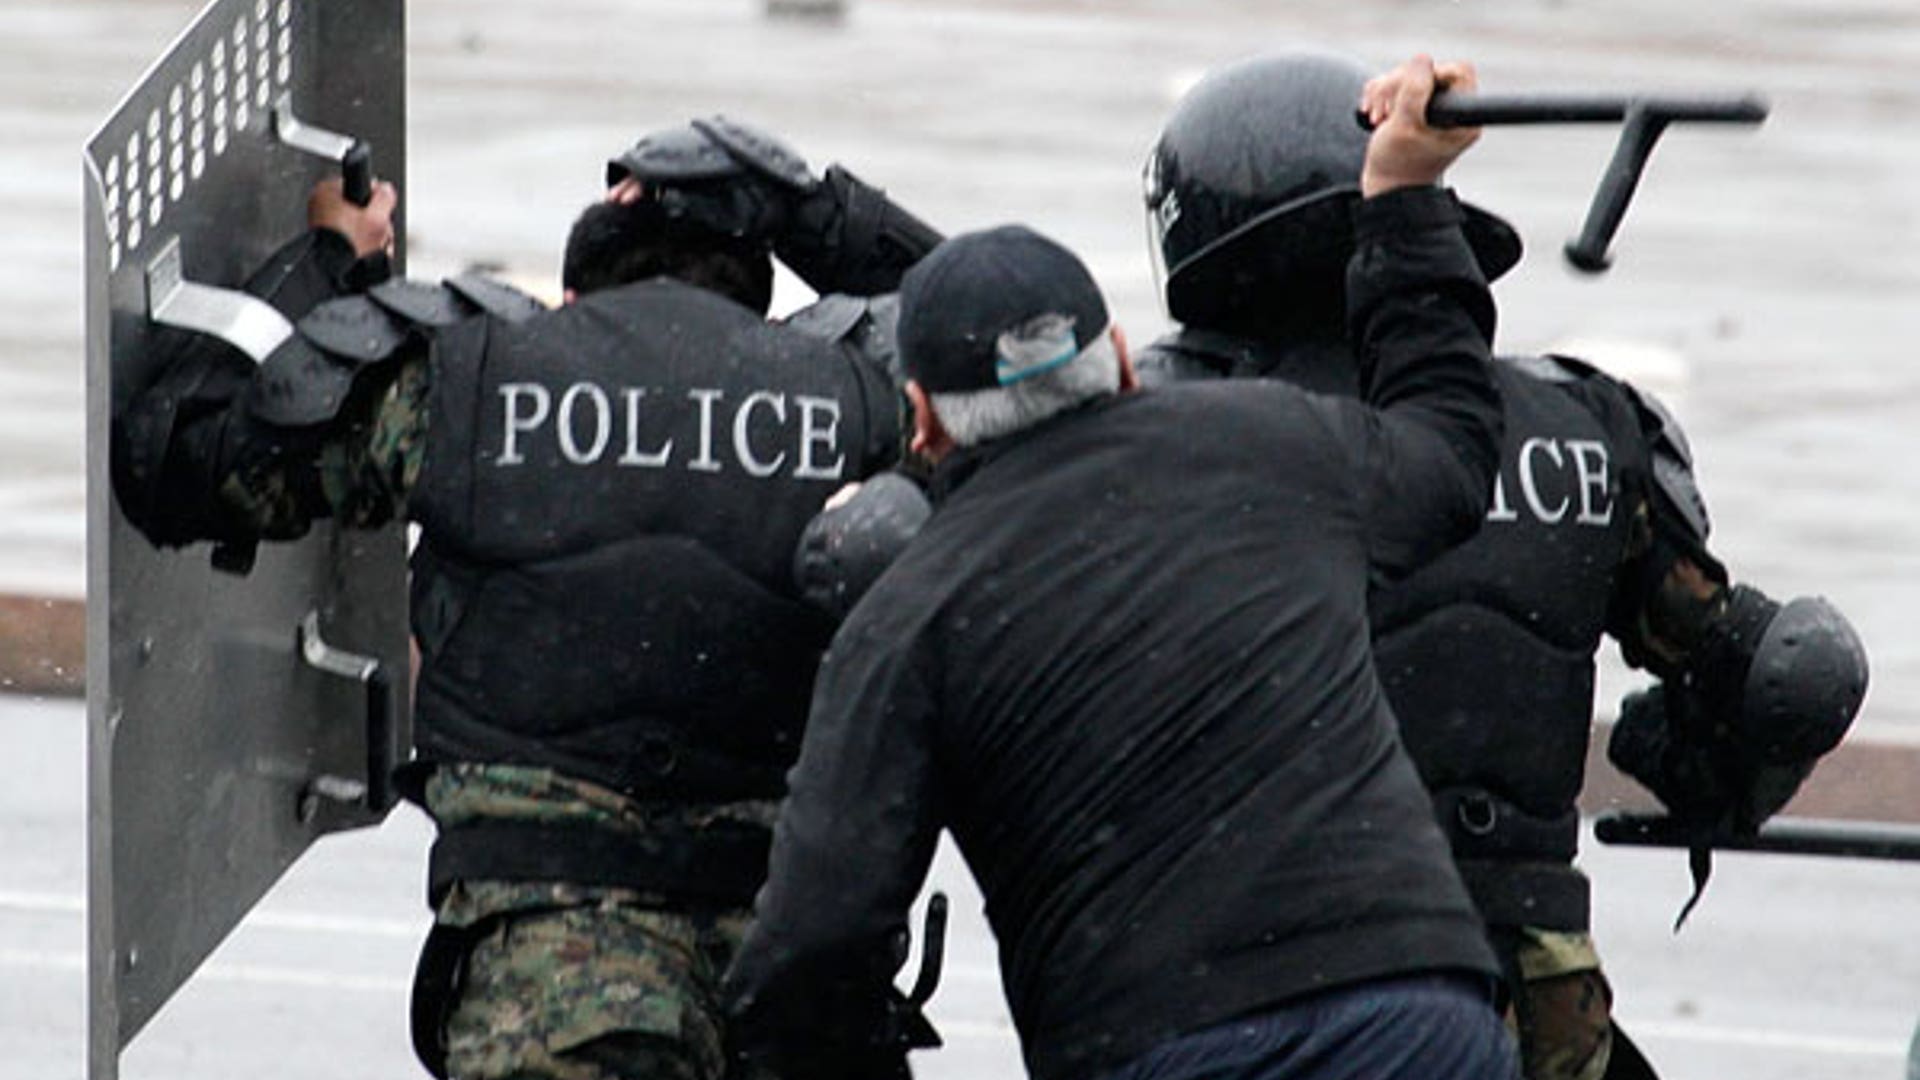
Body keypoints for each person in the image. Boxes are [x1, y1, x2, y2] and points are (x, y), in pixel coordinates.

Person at [723, 56, 1519, 1080]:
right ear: (1125, 361)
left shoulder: (908, 614)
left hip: (1160, 1039)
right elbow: (1451, 450)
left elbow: (817, 940)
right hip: (1414, 1009)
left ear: (923, 421)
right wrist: (1404, 198)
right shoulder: (1277, 442)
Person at [111, 117, 941, 1080]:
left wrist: (330, 264)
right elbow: (1017, 349)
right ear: (755, 295)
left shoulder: (466, 377)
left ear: (578, 292)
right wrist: (803, 207)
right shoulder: (864, 396)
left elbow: (177, 456)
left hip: (552, 971)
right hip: (799, 974)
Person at [1135, 50, 1869, 1080]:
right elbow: (1792, 672)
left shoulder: (1176, 436)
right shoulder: (1587, 426)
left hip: (1277, 980)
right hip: (1538, 1002)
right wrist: (1697, 773)